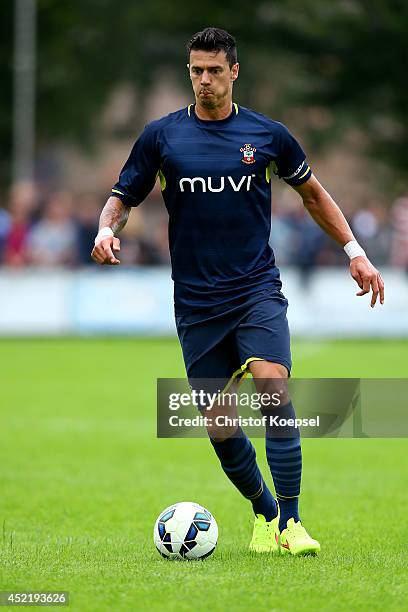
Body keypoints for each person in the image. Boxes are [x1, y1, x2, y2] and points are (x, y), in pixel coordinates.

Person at [91, 27, 384, 556]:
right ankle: (265, 513)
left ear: (234, 72)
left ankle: (292, 522)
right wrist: (106, 228)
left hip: (255, 289)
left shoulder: (267, 135)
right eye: (196, 71)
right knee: (220, 425)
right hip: (197, 302)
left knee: (273, 385)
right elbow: (122, 194)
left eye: (213, 71)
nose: (204, 80)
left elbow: (314, 195)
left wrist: (354, 252)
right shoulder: (161, 137)